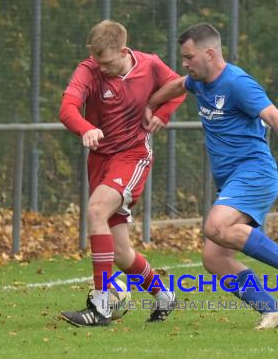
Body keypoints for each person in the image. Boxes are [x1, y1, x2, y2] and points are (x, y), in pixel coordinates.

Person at [144, 23, 278, 330]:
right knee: (214, 258)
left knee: (215, 226)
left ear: (210, 53)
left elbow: (273, 115)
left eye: (189, 56)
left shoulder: (237, 83)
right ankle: (273, 310)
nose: (184, 63)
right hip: (234, 180)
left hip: (255, 173)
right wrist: (151, 103)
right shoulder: (199, 81)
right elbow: (178, 85)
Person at [58, 20, 186, 327]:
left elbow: (180, 86)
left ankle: (101, 305)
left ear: (122, 50)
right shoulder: (88, 69)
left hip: (132, 156)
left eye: (106, 61)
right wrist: (86, 127)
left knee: (95, 210)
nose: (99, 68)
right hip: (101, 161)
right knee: (120, 252)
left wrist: (162, 115)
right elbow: (67, 108)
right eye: (96, 60)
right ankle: (164, 295)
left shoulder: (150, 65)